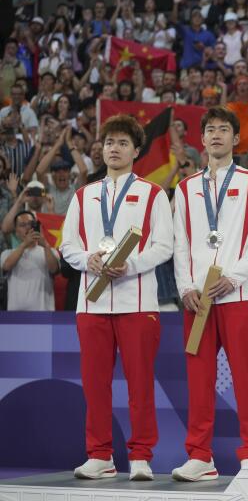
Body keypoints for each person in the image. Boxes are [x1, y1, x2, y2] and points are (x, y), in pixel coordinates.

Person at [59, 115, 174, 481]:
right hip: (91, 303)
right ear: (102, 149)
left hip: (137, 302)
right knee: (95, 384)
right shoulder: (84, 195)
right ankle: (100, 455)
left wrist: (133, 263)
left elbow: (165, 246)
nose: (114, 148)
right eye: (109, 142)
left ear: (136, 151)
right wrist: (87, 260)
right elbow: (67, 246)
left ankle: (141, 455)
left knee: (140, 383)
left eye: (123, 143)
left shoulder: (152, 194)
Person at [172, 106, 248, 480]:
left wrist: (235, 275)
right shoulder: (185, 189)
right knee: (198, 380)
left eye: (223, 130)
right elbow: (181, 244)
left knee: (246, 377)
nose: (216, 135)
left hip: (239, 294)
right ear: (201, 139)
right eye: (210, 130)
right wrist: (185, 288)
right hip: (198, 300)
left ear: (235, 138)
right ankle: (200, 456)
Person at [1, 210, 59, 310]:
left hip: (43, 312)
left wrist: (45, 245)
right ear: (16, 231)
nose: (27, 227)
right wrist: (24, 245)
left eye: (31, 224)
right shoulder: (7, 253)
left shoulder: (50, 251)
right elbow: (6, 266)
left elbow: (54, 269)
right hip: (15, 315)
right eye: (22, 225)